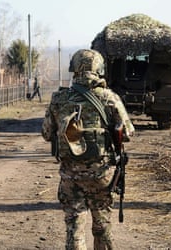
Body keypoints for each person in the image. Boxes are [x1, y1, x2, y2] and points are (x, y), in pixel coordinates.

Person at [41, 49, 134, 249]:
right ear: (99, 69)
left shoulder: (60, 99)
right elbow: (127, 132)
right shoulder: (110, 98)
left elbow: (47, 133)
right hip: (101, 175)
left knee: (74, 226)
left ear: (74, 69)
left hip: (70, 175)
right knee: (102, 225)